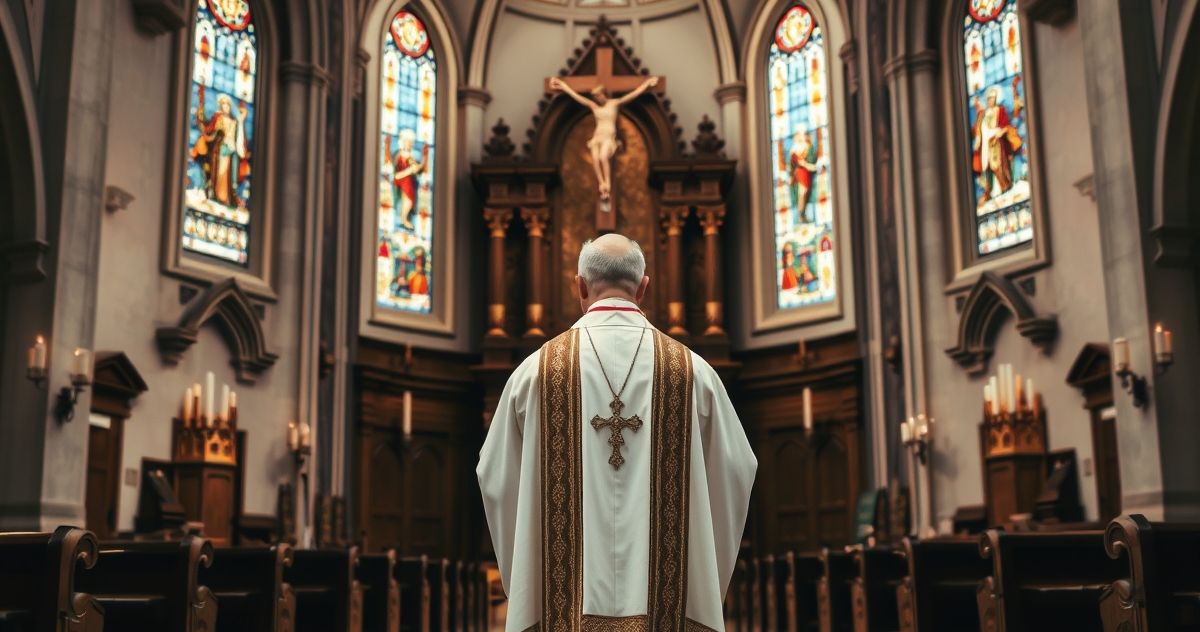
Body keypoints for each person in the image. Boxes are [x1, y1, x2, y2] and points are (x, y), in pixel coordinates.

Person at [478, 233, 757, 632]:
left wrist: (527, 584)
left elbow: (495, 478)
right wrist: (701, 582)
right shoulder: (694, 374)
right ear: (644, 288)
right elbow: (737, 471)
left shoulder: (535, 373)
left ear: (579, 286)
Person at [549, 76, 659, 200]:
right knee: (595, 159)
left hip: (608, 137)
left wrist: (647, 84)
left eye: (598, 96)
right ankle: (602, 183)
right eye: (595, 97)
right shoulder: (594, 106)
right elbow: (577, 97)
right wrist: (563, 86)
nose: (597, 99)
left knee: (603, 157)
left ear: (603, 94)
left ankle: (608, 182)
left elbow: (633, 95)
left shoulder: (614, 104)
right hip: (597, 137)